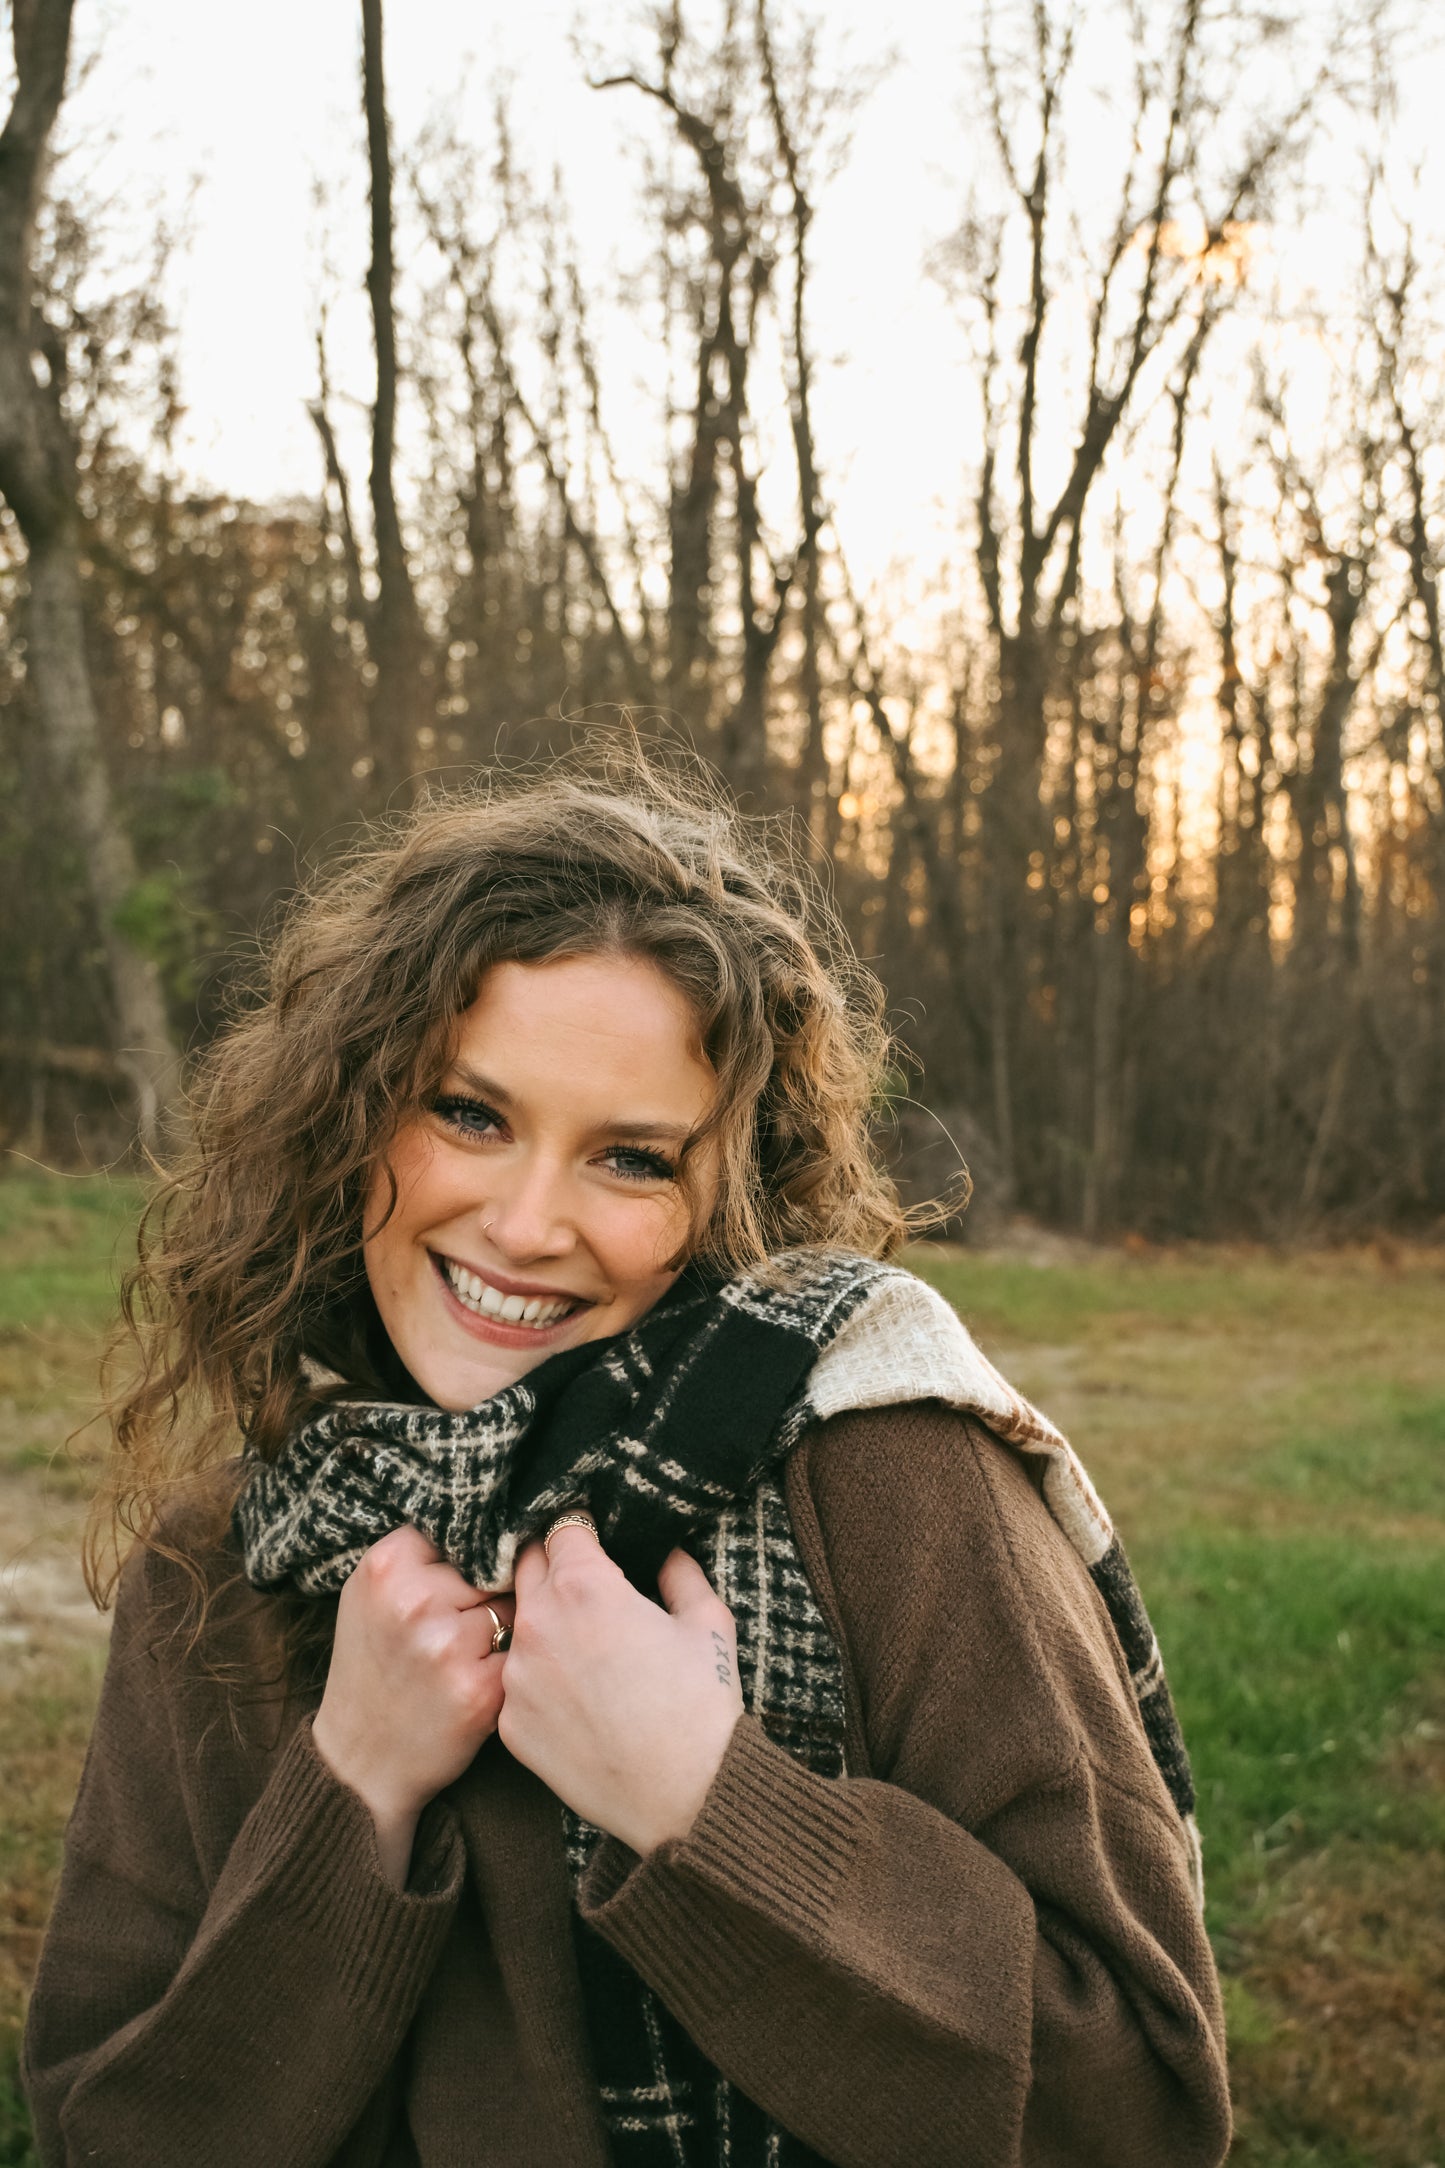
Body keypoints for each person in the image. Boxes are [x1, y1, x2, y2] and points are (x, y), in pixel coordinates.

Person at [23, 764, 1231, 2167]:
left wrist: (701, 1797)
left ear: (730, 1195)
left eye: (634, 1160)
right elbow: (107, 2133)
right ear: (350, 1118)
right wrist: (353, 1785)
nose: (528, 1225)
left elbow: (1133, 2114)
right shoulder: (232, 1554)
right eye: (469, 1115)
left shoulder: (886, 1474)